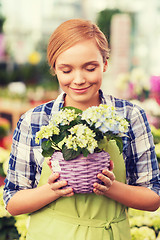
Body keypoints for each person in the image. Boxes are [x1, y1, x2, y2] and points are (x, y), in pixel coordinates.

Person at [3, 18, 160, 240]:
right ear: (54, 69)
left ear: (105, 63)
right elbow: (12, 201)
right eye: (66, 70)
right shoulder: (34, 120)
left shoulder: (130, 116)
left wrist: (111, 187)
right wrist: (52, 190)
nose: (78, 79)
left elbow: (153, 197)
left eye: (90, 68)